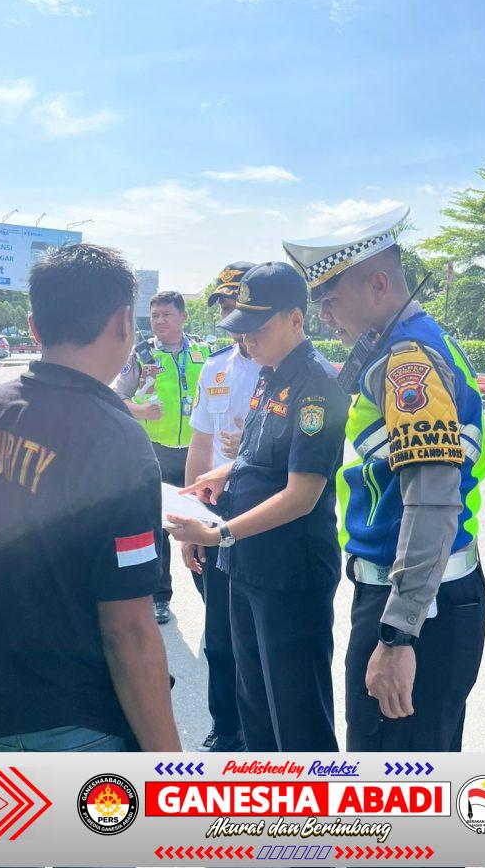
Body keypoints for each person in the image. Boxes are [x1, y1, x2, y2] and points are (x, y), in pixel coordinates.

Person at [0, 244, 180, 753]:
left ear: (34, 325)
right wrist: (168, 767)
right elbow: (130, 631)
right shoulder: (114, 438)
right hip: (85, 725)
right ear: (123, 321)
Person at [283, 206, 485, 751]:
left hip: (416, 603)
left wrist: (398, 633)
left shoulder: (407, 361)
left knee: (389, 779)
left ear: (378, 284)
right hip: (428, 593)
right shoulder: (414, 340)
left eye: (330, 298)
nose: (324, 315)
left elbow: (432, 501)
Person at [169, 262, 348, 752]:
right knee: (255, 711)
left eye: (259, 329)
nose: (247, 340)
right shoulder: (270, 376)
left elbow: (302, 493)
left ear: (296, 320)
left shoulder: (318, 385)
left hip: (290, 574)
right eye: (242, 330)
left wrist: (219, 534)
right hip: (248, 566)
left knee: (298, 717)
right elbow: (262, 455)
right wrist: (223, 473)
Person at [183, 261, 258, 753]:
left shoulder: (287, 368)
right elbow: (200, 445)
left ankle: (261, 731)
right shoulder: (216, 367)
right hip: (216, 505)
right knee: (219, 634)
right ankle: (226, 726)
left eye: (237, 304)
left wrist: (252, 445)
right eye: (224, 306)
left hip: (266, 507)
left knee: (258, 633)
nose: (230, 317)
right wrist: (192, 519)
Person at [115, 291, 209, 624]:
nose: (159, 321)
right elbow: (117, 397)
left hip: (198, 453)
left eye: (166, 314)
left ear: (183, 316)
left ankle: (211, 594)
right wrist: (142, 411)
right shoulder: (141, 354)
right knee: (159, 528)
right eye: (155, 315)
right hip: (156, 453)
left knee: (203, 523)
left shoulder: (203, 352)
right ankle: (160, 596)